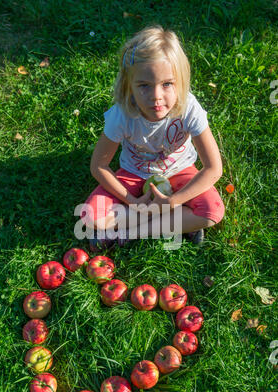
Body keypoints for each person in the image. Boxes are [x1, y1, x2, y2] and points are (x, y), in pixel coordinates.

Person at [79, 24, 225, 251]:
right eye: (144, 86)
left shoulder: (188, 108)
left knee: (212, 211)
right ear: (129, 87)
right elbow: (99, 165)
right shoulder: (122, 114)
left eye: (167, 84)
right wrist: (132, 201)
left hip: (180, 171)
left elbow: (213, 168)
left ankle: (131, 233)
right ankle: (181, 222)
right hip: (134, 174)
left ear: (181, 82)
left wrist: (174, 200)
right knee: (90, 217)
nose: (157, 96)